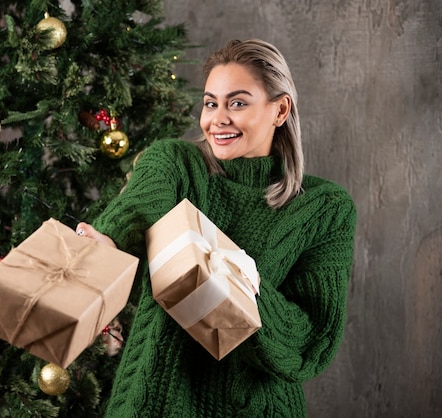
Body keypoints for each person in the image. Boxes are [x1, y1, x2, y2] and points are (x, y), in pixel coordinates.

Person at [76, 39, 357, 417]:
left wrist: (242, 286)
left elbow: (310, 345)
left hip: (257, 409)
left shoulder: (326, 209)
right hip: (150, 402)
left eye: (237, 103)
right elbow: (137, 210)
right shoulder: (176, 164)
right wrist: (106, 242)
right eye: (211, 103)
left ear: (280, 109)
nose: (217, 119)